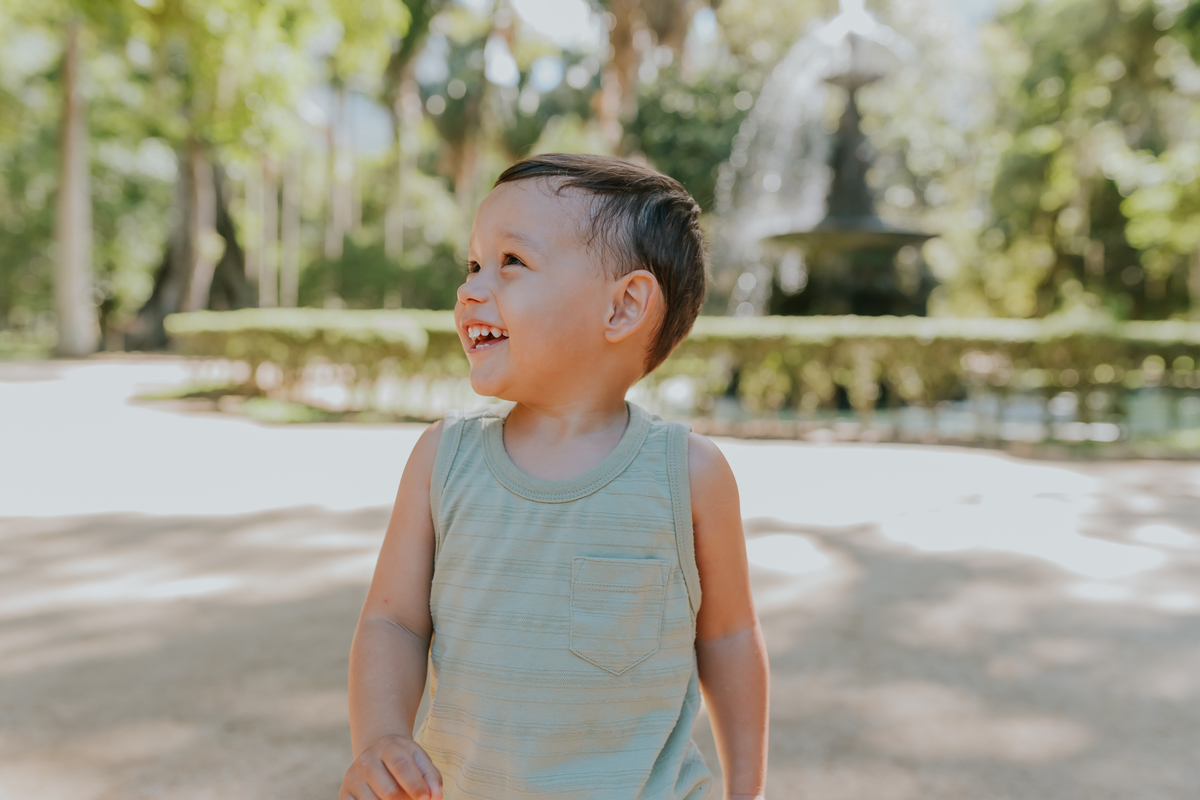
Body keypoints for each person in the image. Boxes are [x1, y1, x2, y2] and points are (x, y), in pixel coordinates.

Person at [340, 153, 770, 800]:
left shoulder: (686, 473)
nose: (469, 290)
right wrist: (380, 738)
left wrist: (748, 789)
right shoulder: (443, 458)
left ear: (623, 307)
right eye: (473, 265)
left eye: (511, 262)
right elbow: (393, 623)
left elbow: (730, 636)